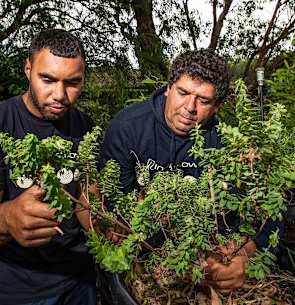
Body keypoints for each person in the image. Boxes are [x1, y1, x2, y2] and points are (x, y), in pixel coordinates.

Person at [99, 48, 282, 294]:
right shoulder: (127, 128)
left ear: (217, 105)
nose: (189, 107)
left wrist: (244, 255)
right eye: (183, 93)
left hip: (199, 258)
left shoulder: (225, 143)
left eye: (203, 100)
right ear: (168, 88)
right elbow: (113, 207)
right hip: (142, 254)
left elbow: (267, 211)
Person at [0, 29, 96, 305]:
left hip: (80, 279)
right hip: (20, 289)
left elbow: (85, 196)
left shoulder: (85, 127)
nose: (60, 95)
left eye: (73, 82)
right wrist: (6, 218)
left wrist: (103, 226)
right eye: (47, 79)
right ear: (27, 68)